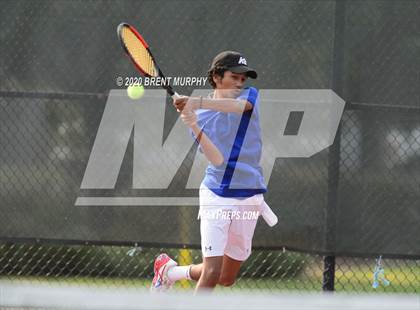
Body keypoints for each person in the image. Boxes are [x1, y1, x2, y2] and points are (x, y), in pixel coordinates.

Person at [151, 51, 269, 293]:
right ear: (216, 76)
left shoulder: (249, 96)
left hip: (250, 196)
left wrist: (196, 102)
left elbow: (239, 107)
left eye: (243, 78)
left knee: (226, 277)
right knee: (212, 271)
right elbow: (216, 159)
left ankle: (169, 272)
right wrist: (193, 122)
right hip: (217, 195)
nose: (240, 82)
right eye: (234, 76)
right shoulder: (199, 116)